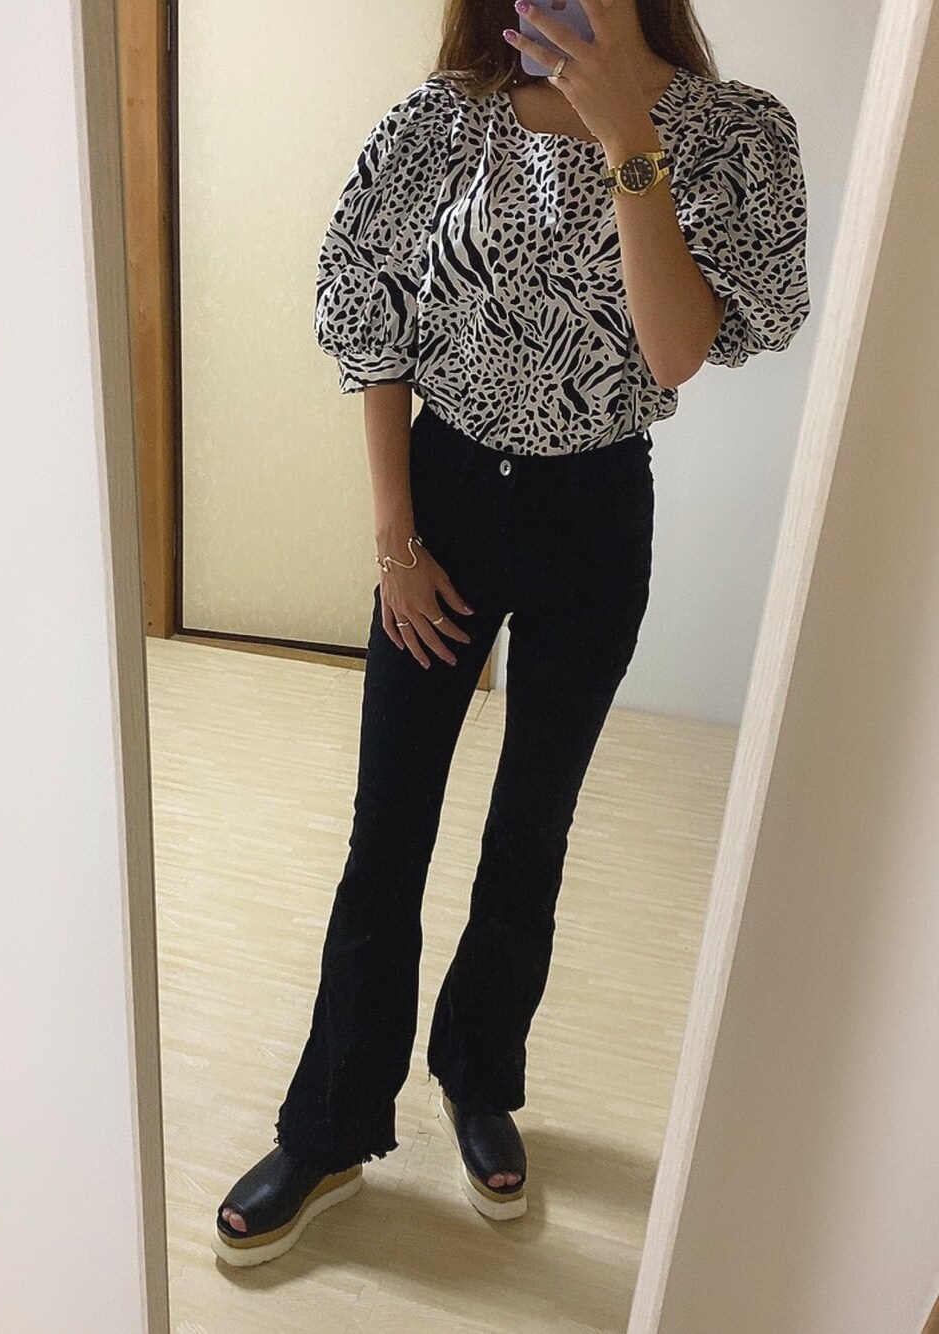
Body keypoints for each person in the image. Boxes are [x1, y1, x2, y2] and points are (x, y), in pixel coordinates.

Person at [213, 0, 810, 1267]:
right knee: (388, 827)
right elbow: (369, 317)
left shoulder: (732, 134)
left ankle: (480, 1072)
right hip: (442, 498)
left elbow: (676, 350)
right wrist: (395, 538)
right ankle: (329, 1125)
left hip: (594, 511)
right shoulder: (446, 120)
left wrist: (626, 132)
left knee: (530, 825)